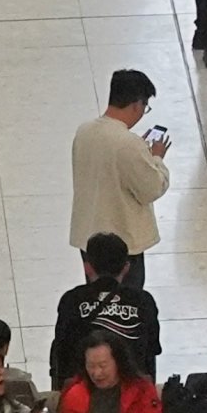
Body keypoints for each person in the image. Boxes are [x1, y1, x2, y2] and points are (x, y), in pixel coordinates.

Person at [67, 69, 171, 280]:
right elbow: (151, 188)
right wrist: (156, 158)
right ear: (136, 104)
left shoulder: (84, 131)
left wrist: (139, 152)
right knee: (126, 301)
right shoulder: (129, 143)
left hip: (89, 237)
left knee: (95, 297)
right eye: (145, 107)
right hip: (123, 242)